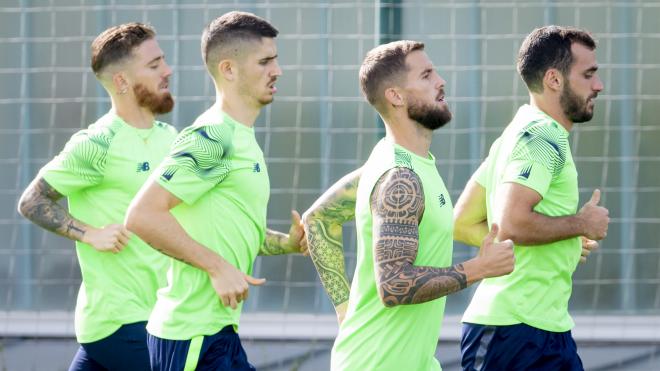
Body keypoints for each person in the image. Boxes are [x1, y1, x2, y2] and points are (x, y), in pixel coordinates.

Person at [302, 40, 515, 371]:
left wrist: (346, 308)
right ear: (396, 96)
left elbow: (317, 219)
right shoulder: (400, 177)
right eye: (427, 75)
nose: (441, 81)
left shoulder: (400, 162)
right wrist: (479, 268)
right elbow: (393, 284)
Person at [124, 11, 306, 371]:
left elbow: (223, 227)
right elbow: (142, 216)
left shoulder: (241, 138)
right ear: (228, 69)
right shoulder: (213, 135)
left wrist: (283, 243)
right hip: (192, 337)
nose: (277, 71)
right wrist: (217, 267)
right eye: (265, 61)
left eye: (276, 59)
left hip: (216, 333)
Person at [17, 23, 176, 370]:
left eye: (163, 60)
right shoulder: (96, 144)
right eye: (154, 65)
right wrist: (90, 234)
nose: (167, 71)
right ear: (121, 82)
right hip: (126, 321)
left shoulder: (173, 139)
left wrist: (278, 243)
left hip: (150, 316)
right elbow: (32, 201)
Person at [453, 25, 609, 371]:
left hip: (544, 328)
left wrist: (561, 239)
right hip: (514, 331)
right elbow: (511, 223)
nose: (598, 85)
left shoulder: (517, 133)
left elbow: (463, 221)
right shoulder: (540, 137)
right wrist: (581, 223)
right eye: (588, 75)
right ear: (554, 80)